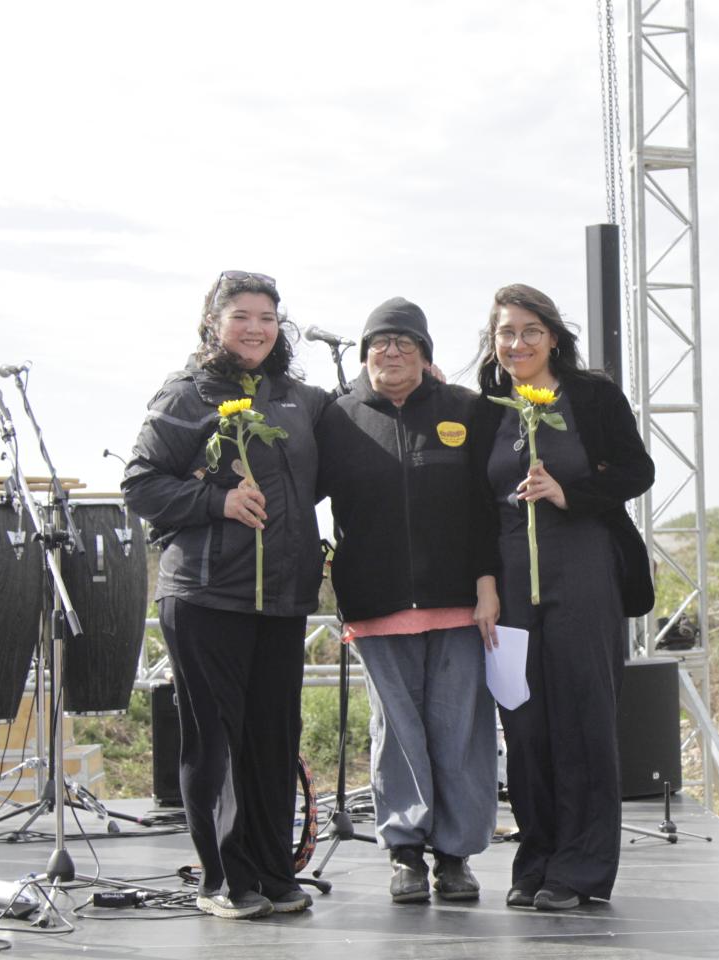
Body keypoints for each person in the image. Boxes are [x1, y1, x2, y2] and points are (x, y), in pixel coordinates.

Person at [122, 271, 328, 920]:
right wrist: (218, 501)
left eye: (268, 317)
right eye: (242, 316)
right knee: (217, 740)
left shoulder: (296, 397)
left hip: (284, 597)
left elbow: (330, 462)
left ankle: (272, 873)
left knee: (273, 737)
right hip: (208, 594)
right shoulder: (186, 393)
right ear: (213, 323)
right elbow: (141, 485)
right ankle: (222, 880)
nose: (257, 328)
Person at [475, 282, 654, 911]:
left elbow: (638, 471)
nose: (517, 343)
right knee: (524, 728)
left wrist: (568, 494)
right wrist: (485, 587)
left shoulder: (593, 396)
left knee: (583, 721)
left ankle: (580, 871)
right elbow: (471, 508)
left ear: (552, 336)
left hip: (583, 572)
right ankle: (537, 860)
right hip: (510, 583)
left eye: (529, 330)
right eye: (506, 332)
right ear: (493, 342)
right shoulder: (486, 407)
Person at [316, 296, 500, 904]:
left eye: (405, 342)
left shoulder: (468, 411)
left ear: (426, 354)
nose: (391, 352)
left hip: (458, 604)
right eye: (379, 343)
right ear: (365, 355)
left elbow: (486, 507)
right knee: (396, 733)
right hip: (375, 604)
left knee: (460, 731)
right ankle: (404, 854)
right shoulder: (336, 419)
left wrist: (487, 581)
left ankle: (454, 856)